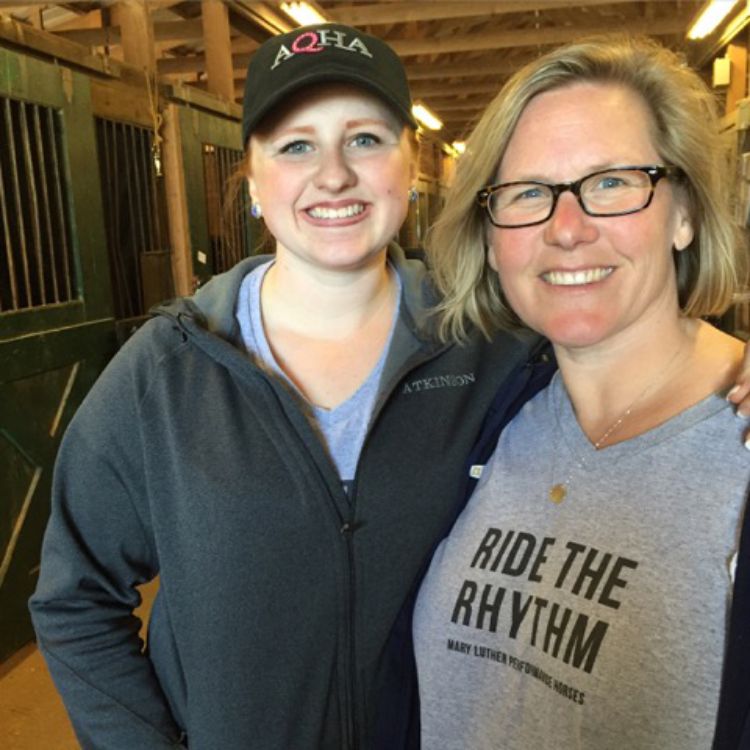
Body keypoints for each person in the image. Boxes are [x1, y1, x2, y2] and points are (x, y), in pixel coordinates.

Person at [27, 23, 547, 750]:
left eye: (364, 139)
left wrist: (722, 375)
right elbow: (75, 598)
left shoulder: (499, 353)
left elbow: (631, 392)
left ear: (411, 163)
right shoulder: (170, 368)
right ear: (253, 179)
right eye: (295, 145)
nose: (332, 174)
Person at [412, 35, 750, 750]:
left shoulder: (737, 444)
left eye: (612, 182)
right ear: (492, 235)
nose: (567, 230)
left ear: (684, 213)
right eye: (528, 193)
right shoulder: (491, 410)